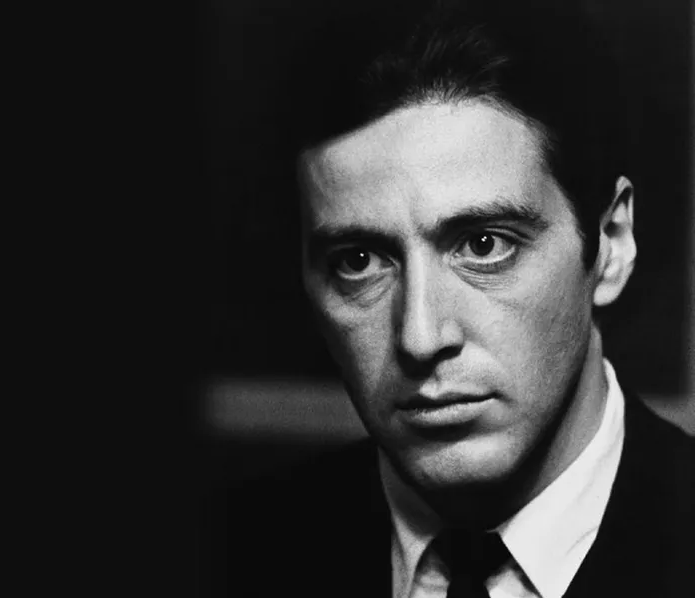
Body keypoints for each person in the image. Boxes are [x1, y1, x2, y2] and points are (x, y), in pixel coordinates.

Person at [212, 1, 694, 597]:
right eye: (359, 261)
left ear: (612, 245)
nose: (420, 337)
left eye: (484, 245)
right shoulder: (225, 554)